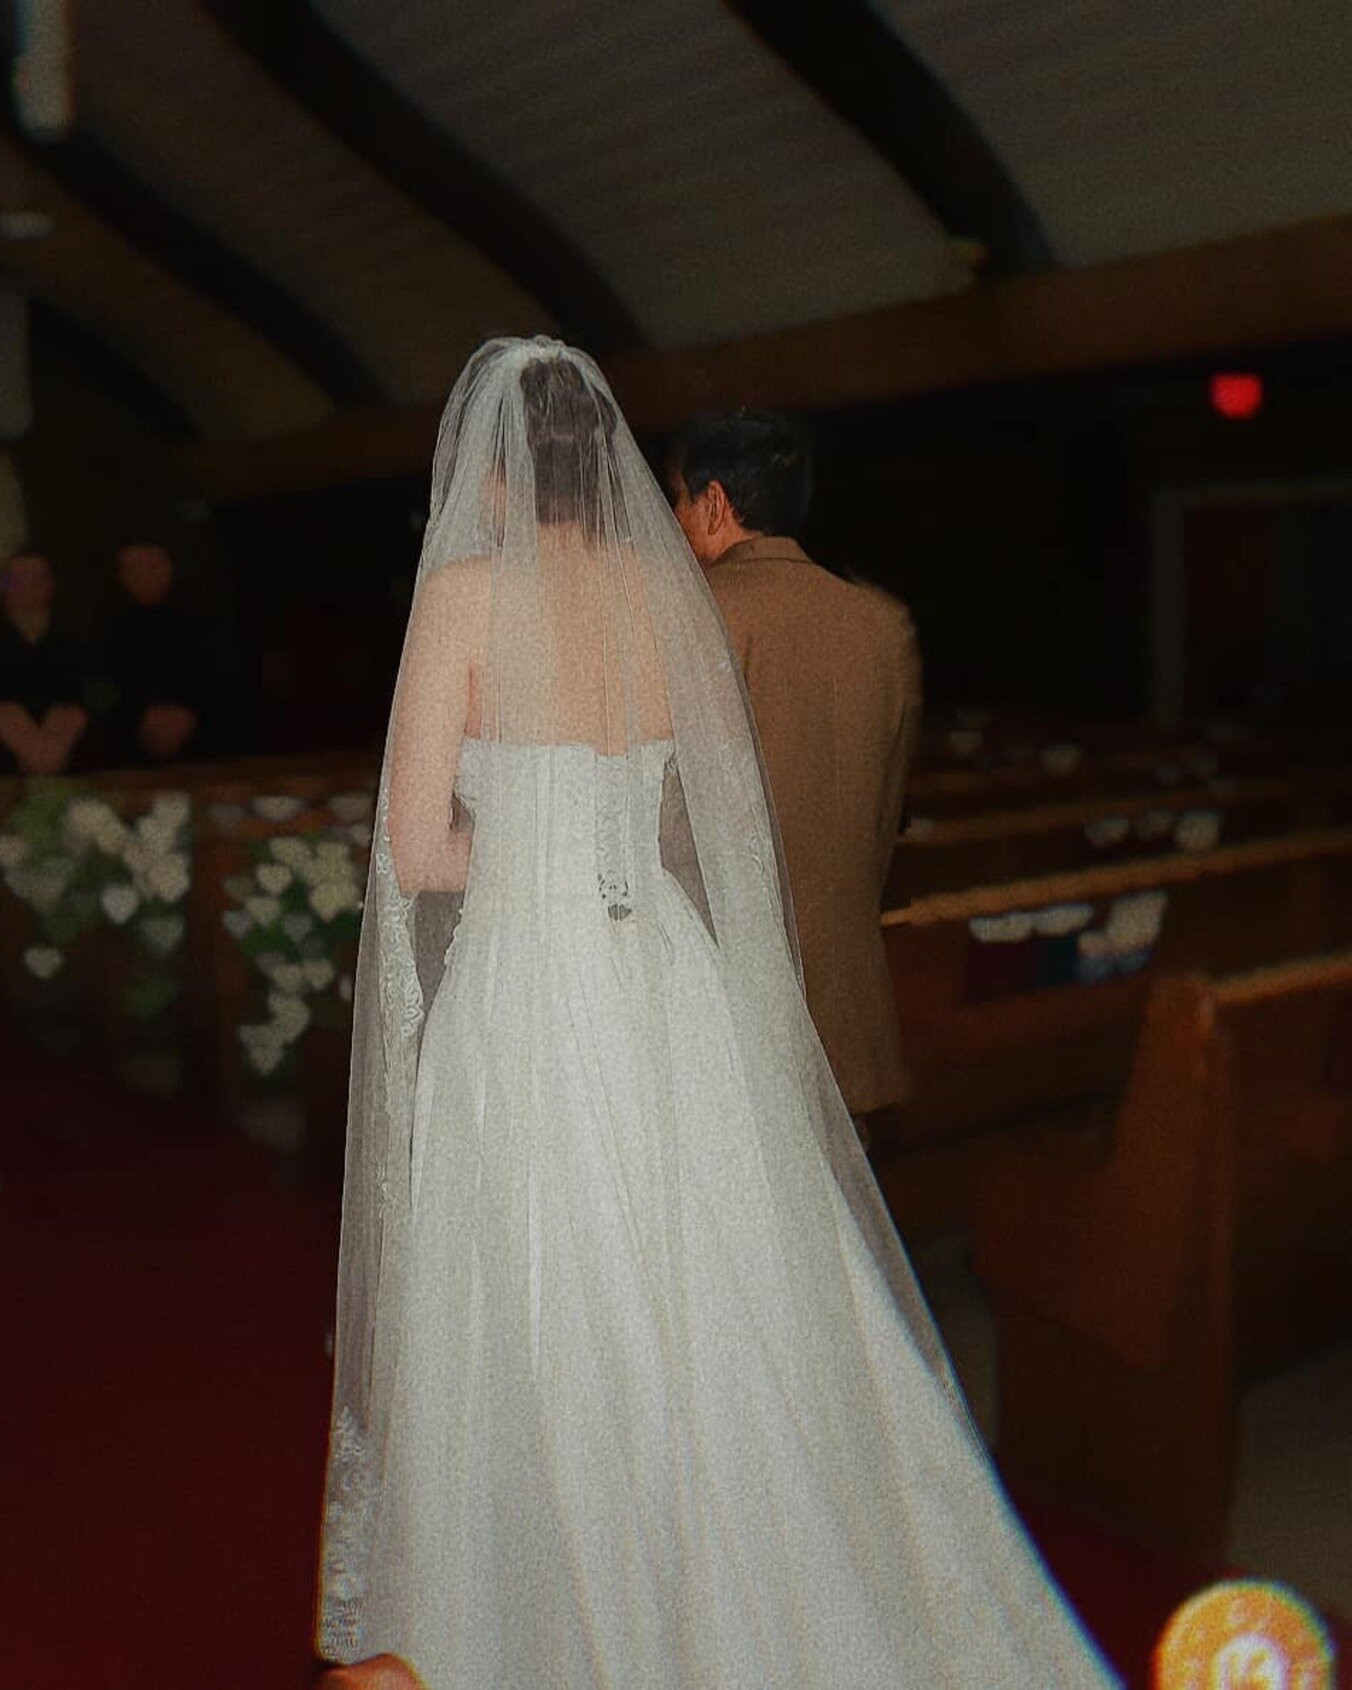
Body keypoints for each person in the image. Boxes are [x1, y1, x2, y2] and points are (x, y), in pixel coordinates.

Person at [317, 338, 1117, 1688]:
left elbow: (412, 847)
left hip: (532, 979)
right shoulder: (663, 587)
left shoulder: (460, 595)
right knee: (710, 1279)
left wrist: (521, 849)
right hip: (669, 979)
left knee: (548, 1291)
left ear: (498, 473)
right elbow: (711, 819)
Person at [666, 410, 919, 1128]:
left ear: (714, 503)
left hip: (733, 1010)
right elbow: (882, 822)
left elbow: (673, 820)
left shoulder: (699, 611)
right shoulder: (878, 620)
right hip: (847, 1002)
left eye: (677, 501)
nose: (673, 522)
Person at [0, 551, 91, 776]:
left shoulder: (76, 635)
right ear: (3, 586)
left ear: (51, 584)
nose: (27, 588)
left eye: (37, 579)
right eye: (16, 580)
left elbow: (89, 689)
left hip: (67, 735)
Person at [97, 541, 199, 765]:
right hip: (128, 742)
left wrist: (188, 714)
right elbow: (101, 688)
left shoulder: (202, 621)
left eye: (154, 566)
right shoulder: (103, 629)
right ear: (121, 576)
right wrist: (138, 716)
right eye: (134, 569)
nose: (145, 576)